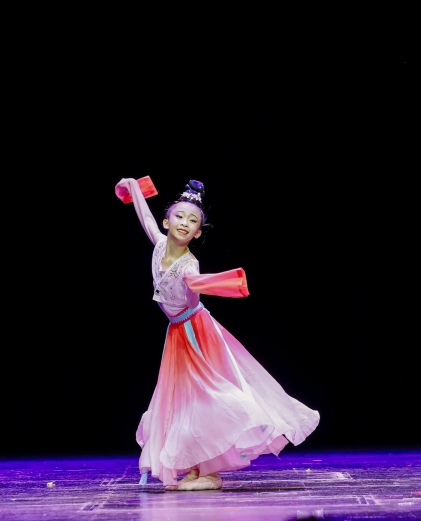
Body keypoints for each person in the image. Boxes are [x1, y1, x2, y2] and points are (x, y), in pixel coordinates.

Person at [116, 177, 320, 491]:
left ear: (197, 232)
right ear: (167, 222)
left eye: (192, 221)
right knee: (185, 402)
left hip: (196, 332)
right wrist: (133, 187)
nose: (184, 223)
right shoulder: (158, 245)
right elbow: (144, 217)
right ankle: (196, 469)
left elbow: (192, 296)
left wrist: (202, 285)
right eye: (179, 216)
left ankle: (211, 473)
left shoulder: (190, 266)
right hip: (177, 333)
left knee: (207, 396)